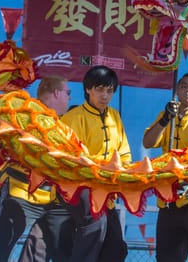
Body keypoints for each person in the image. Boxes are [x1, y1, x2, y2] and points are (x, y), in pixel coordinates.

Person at [0, 76, 73, 262]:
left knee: (61, 248)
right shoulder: (24, 114)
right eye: (67, 92)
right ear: (56, 92)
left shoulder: (65, 124)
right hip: (21, 193)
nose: (69, 97)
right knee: (3, 242)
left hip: (54, 200)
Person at [60, 65, 132, 262]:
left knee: (116, 248)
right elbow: (70, 158)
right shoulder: (72, 118)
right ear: (88, 89)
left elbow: (124, 152)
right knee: (92, 236)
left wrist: (123, 172)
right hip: (80, 190)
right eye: (100, 89)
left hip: (106, 192)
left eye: (109, 91)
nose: (105, 95)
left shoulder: (115, 116)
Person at [143, 72, 188, 262]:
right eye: (183, 85)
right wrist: (165, 119)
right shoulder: (166, 116)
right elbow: (148, 142)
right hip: (168, 203)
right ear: (177, 90)